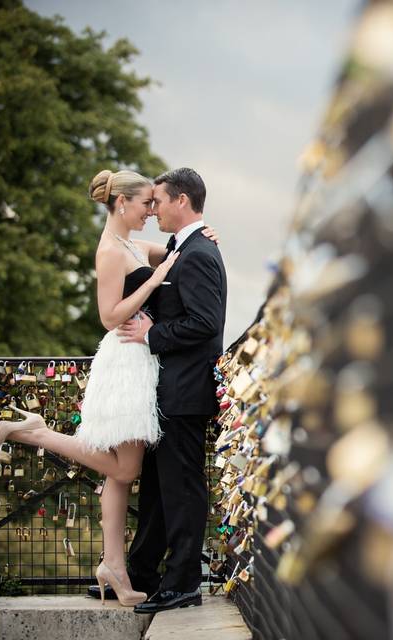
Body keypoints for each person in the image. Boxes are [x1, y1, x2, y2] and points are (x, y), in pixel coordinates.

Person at [0, 169, 216, 606]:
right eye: (146, 204)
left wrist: (204, 233)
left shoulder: (133, 243)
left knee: (121, 472)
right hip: (126, 359)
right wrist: (153, 280)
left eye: (156, 203)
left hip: (142, 361)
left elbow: (175, 250)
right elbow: (109, 317)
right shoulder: (111, 250)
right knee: (124, 469)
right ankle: (34, 432)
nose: (152, 211)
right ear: (122, 204)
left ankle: (114, 566)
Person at [115, 167, 227, 614]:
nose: (154, 208)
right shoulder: (185, 248)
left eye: (158, 201)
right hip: (168, 391)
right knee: (159, 492)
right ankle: (142, 575)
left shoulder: (199, 253)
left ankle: (183, 584)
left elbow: (205, 324)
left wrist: (151, 334)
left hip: (185, 390)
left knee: (182, 490)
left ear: (182, 201)